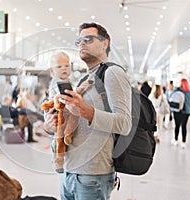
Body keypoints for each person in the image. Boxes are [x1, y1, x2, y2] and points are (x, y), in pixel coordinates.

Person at [43, 22, 132, 200]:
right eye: (79, 41)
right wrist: (51, 124)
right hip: (69, 170)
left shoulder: (113, 73)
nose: (82, 43)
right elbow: (70, 120)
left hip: (93, 173)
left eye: (88, 39)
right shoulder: (84, 77)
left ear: (105, 43)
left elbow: (124, 124)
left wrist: (86, 111)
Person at [170, 78, 190, 149]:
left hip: (177, 110)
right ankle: (183, 142)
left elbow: (171, 97)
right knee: (184, 126)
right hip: (186, 111)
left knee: (177, 125)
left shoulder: (176, 90)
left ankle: (176, 140)